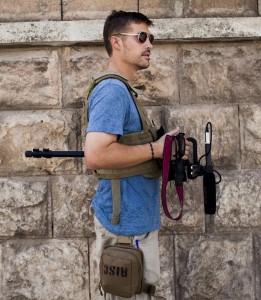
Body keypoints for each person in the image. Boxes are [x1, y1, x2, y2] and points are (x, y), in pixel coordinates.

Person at [84, 10, 190, 300]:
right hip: (124, 229)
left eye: (150, 37)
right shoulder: (112, 91)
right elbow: (95, 155)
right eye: (141, 37)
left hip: (133, 226)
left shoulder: (124, 91)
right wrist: (156, 149)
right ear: (116, 42)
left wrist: (166, 149)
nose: (149, 44)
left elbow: (128, 148)